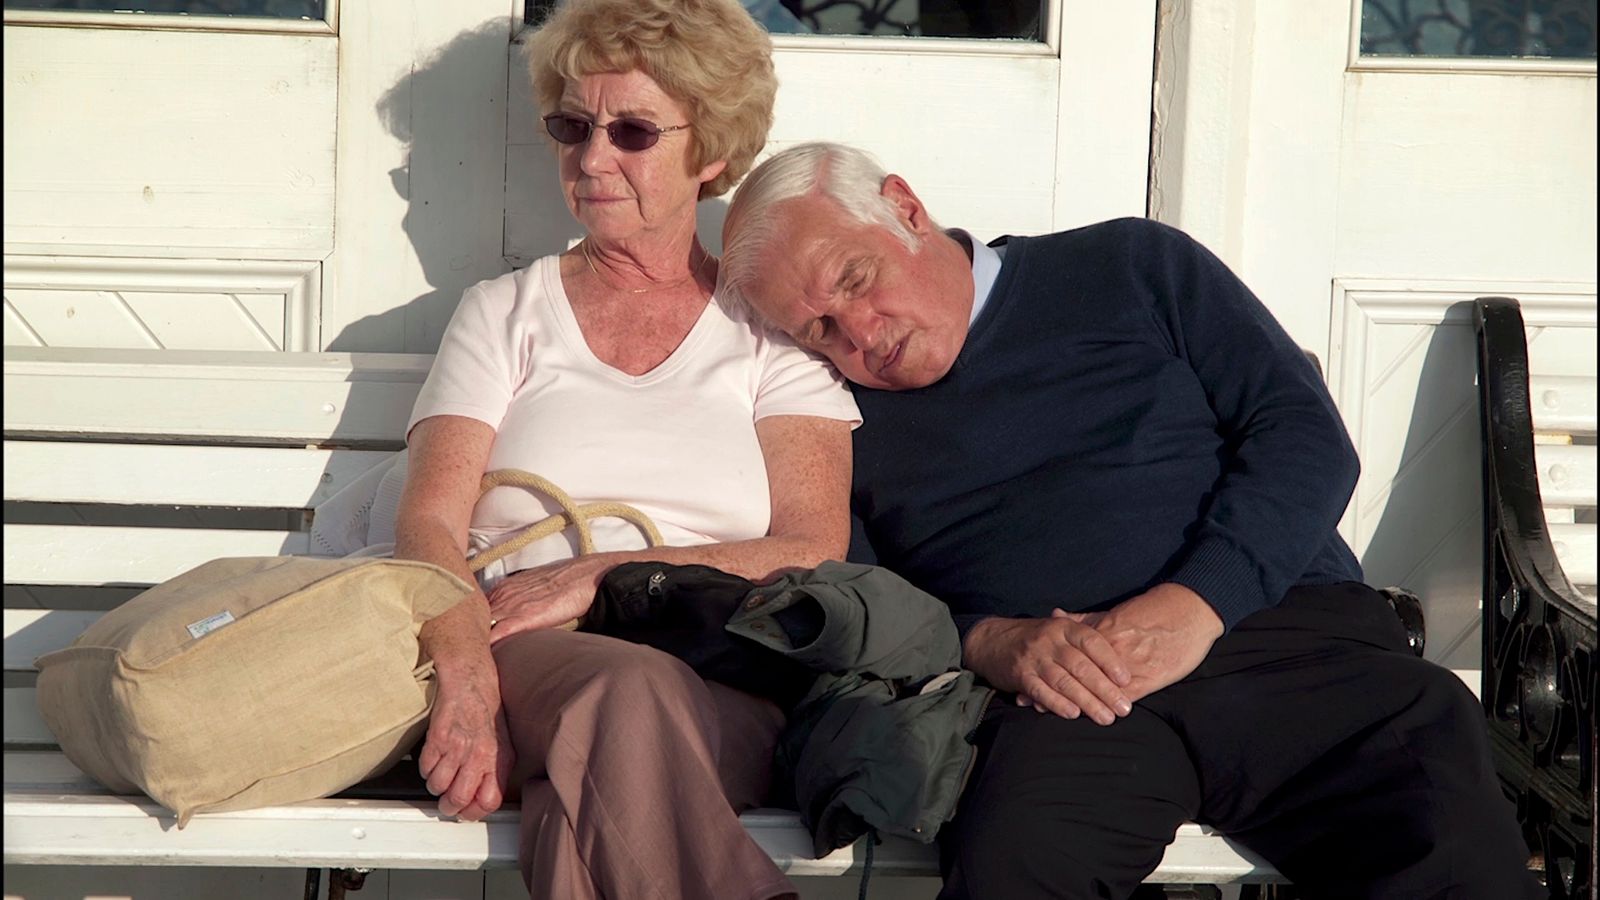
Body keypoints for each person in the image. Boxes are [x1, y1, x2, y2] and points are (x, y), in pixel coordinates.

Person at [717, 142, 1542, 899]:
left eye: (856, 280)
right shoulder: (836, 416)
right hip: (1065, 691)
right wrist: (991, 641)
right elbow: (867, 598)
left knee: (1437, 812)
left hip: (1280, 635)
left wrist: (1199, 604)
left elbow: (1305, 436)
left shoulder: (1127, 265)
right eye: (818, 329)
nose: (860, 334)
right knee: (1017, 862)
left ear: (905, 207)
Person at [394, 7, 859, 899]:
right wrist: (464, 679)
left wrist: (598, 575)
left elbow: (810, 546)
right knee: (620, 703)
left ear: (712, 152)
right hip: (529, 663)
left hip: (719, 676)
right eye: (572, 127)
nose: (592, 158)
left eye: (633, 132)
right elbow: (428, 522)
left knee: (607, 768)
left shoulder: (770, 337)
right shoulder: (505, 314)